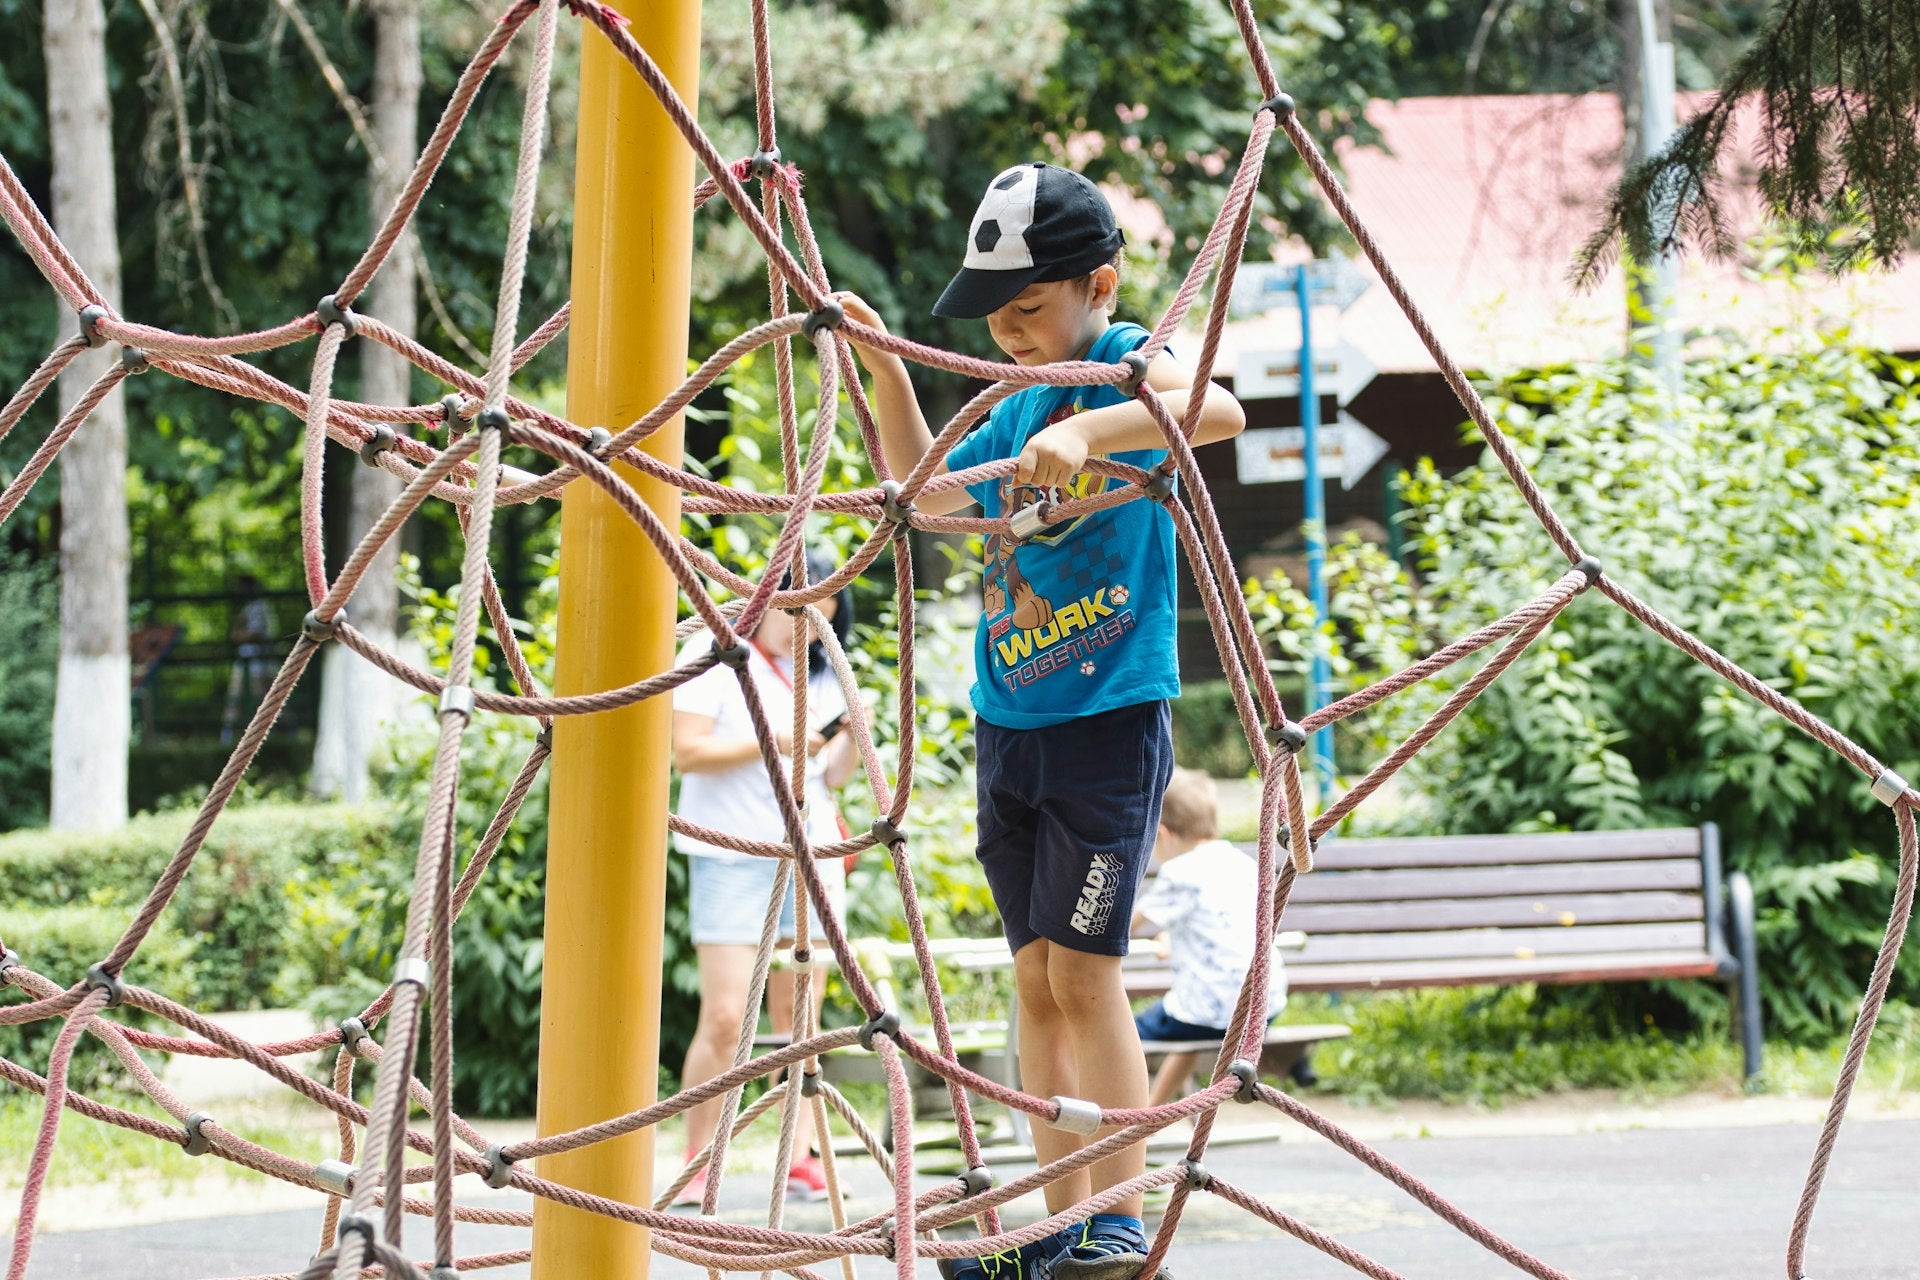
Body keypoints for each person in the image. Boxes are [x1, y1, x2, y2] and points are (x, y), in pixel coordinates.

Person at [840, 161, 1245, 1280]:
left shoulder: (1126, 365)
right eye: (995, 315)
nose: (1010, 333)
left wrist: (1098, 432)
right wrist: (885, 367)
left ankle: (1120, 1211)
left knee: (1085, 975)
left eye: (1026, 307)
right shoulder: (1013, 405)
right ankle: (1054, 1227)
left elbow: (1217, 407)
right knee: (1035, 983)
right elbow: (927, 496)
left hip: (1106, 721)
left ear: (1097, 285)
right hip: (1009, 723)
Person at [670, 549, 859, 1207]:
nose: (804, 628)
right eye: (795, 612)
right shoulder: (716, 655)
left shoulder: (826, 674)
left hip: (810, 853)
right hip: (730, 854)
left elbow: (832, 777)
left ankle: (799, 1157)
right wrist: (773, 739)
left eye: (820, 616)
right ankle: (697, 1160)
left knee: (800, 1014)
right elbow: (687, 753)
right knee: (726, 1016)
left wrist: (851, 737)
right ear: (767, 600)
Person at [1130, 768, 1286, 1107]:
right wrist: (1169, 937)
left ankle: (1125, 1112)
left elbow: (1126, 928)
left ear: (1162, 834)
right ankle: (1154, 1111)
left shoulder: (1179, 871)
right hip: (1263, 1010)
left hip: (1205, 1014)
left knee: (1119, 1034)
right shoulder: (1243, 864)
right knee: (1189, 1019)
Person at [221, 575, 275, 743]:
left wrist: (241, 635)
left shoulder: (261, 607)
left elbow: (253, 634)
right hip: (244, 661)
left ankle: (286, 733)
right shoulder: (247, 609)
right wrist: (240, 634)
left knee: (268, 699)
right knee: (235, 697)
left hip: (261, 664)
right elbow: (236, 633)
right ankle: (227, 736)